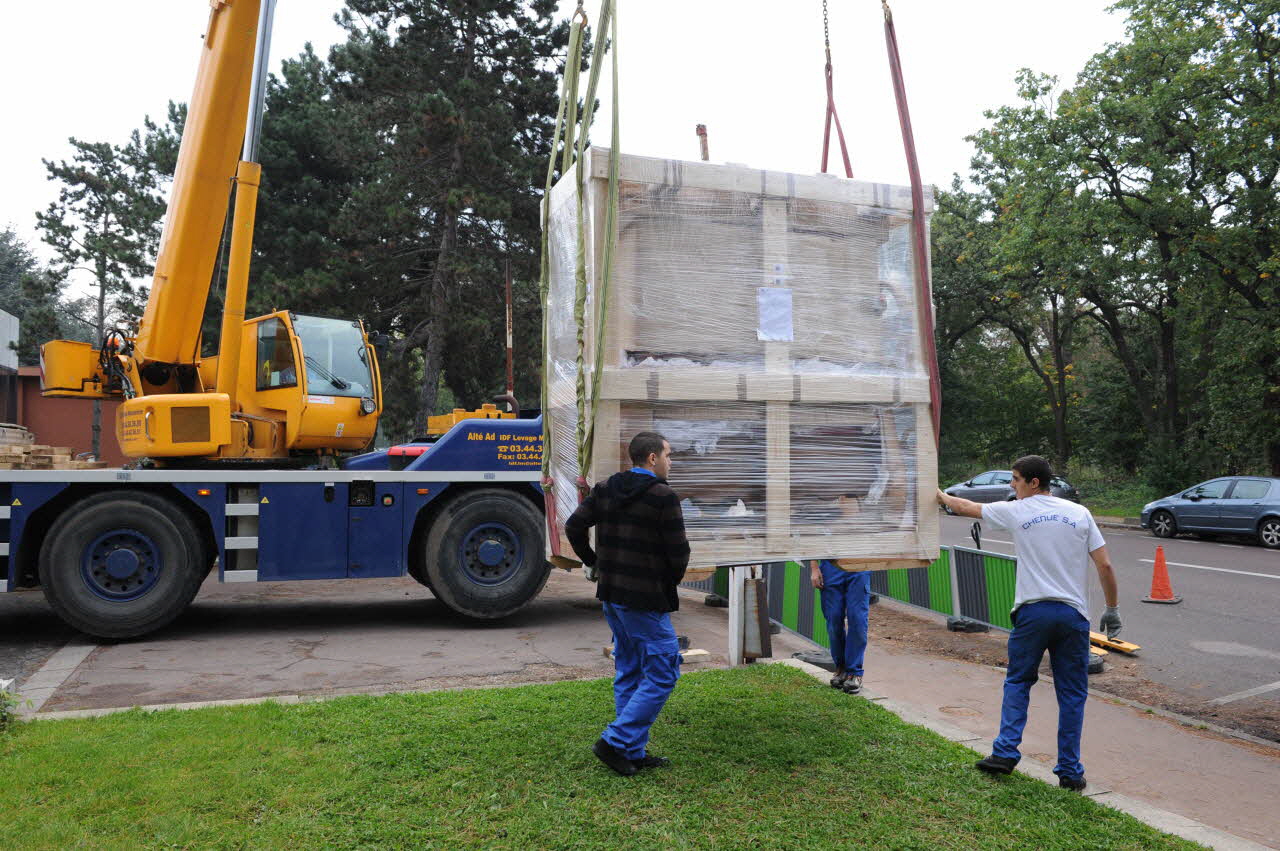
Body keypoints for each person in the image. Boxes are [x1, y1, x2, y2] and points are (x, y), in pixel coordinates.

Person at [936, 455, 1121, 792]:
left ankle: (1005, 753)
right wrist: (1112, 608)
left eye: (1016, 479)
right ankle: (1070, 771)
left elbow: (964, 507)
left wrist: (938, 495)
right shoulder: (1080, 513)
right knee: (1073, 693)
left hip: (1033, 613)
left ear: (1034, 483)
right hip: (1073, 616)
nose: (1012, 485)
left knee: (1019, 681)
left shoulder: (1018, 511)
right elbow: (1105, 566)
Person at [565, 431, 691, 776]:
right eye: (668, 455)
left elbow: (574, 526)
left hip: (612, 595)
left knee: (631, 669)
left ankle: (632, 751)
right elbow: (679, 554)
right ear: (652, 458)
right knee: (664, 671)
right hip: (644, 600)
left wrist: (595, 562)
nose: (670, 461)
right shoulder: (664, 497)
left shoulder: (605, 489)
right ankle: (615, 741)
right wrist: (666, 583)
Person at [810, 558, 870, 694]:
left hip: (859, 566)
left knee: (858, 619)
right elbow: (812, 537)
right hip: (831, 567)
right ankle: (841, 668)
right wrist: (814, 568)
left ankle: (855, 673)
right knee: (833, 620)